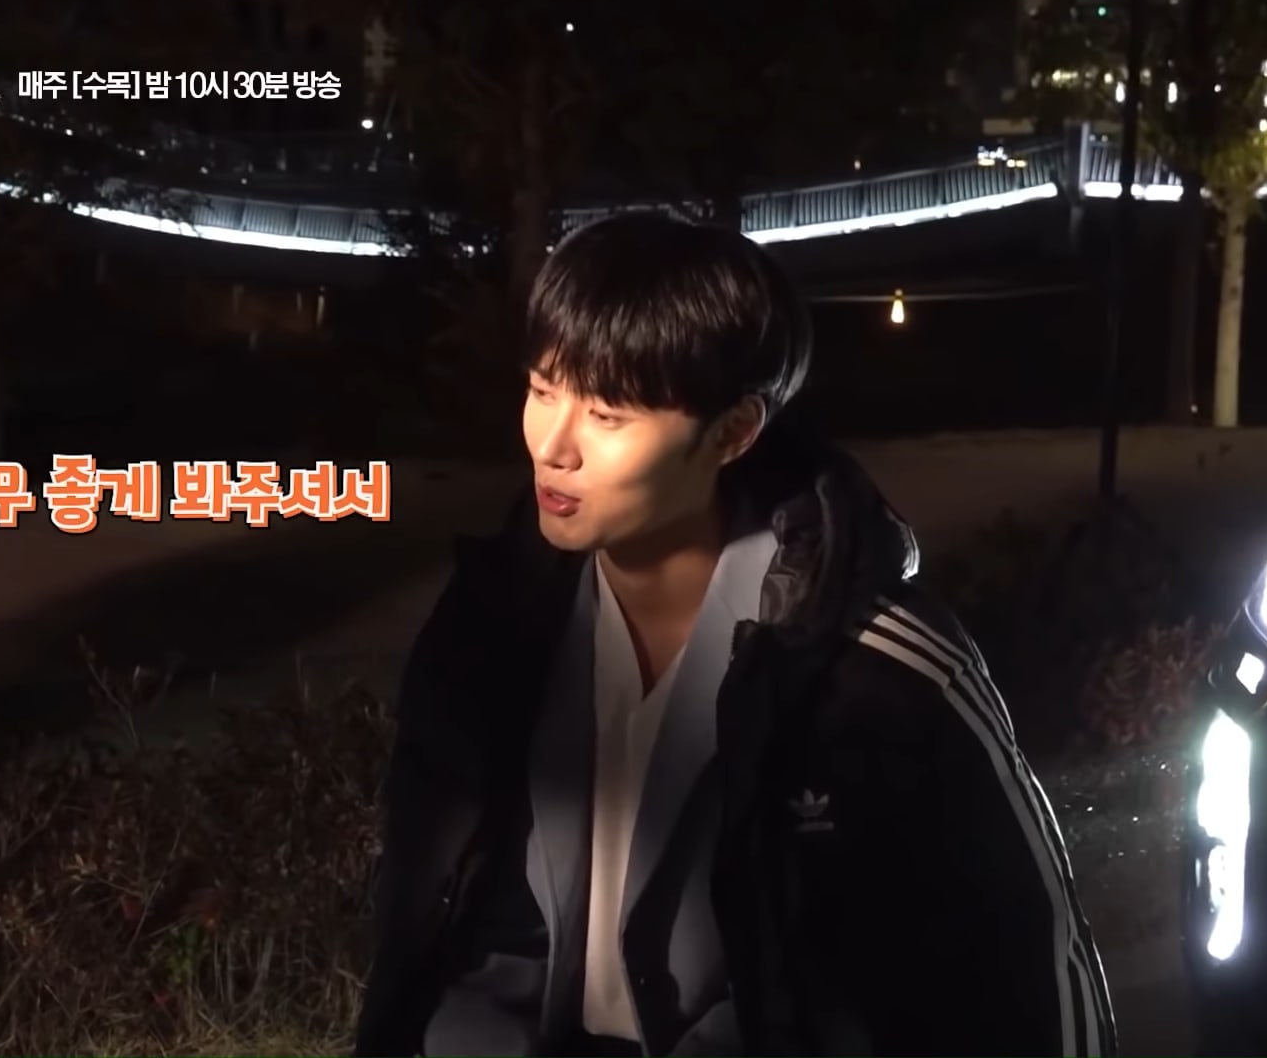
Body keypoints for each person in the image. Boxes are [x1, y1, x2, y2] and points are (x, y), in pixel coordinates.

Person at [355, 210, 1116, 1056]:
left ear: (732, 433)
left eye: (608, 414)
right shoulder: (493, 625)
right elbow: (440, 926)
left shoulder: (874, 667)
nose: (554, 447)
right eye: (542, 391)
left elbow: (1033, 963)